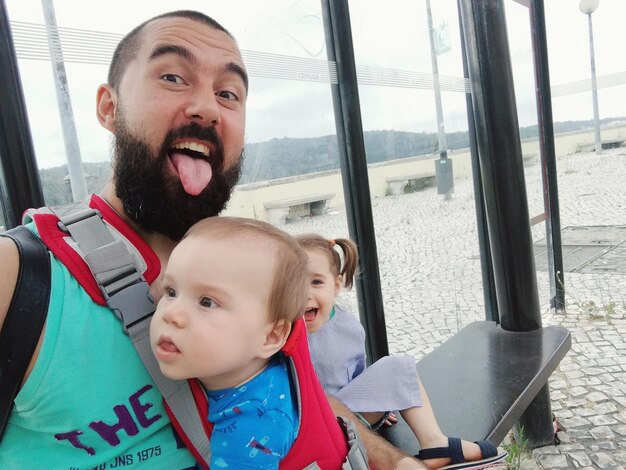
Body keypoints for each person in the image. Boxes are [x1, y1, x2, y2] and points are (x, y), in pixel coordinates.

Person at [0, 9, 425, 469]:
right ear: (109, 106)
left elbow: (302, 396)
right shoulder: (19, 275)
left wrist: (395, 461)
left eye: (228, 93)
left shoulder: (245, 261)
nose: (206, 107)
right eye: (172, 76)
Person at [296, 233, 508, 470]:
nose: (305, 294)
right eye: (294, 284)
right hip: (318, 429)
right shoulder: (286, 335)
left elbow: (356, 374)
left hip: (354, 418)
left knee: (396, 364)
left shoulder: (348, 326)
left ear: (335, 285)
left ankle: (435, 444)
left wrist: (379, 404)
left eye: (316, 282)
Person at [150, 216, 344, 468]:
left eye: (207, 302)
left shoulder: (254, 424)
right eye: (171, 292)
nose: (170, 313)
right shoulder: (246, 367)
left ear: (271, 336)